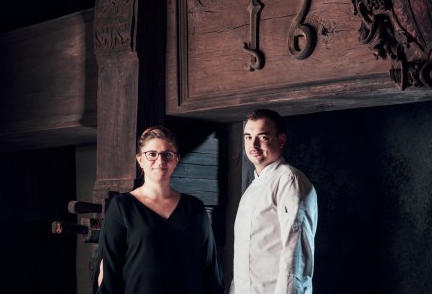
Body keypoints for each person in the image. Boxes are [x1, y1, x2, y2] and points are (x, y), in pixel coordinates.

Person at [95, 126, 224, 294]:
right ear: (140, 160)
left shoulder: (194, 208)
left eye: (167, 154)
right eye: (152, 154)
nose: (160, 161)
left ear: (176, 159)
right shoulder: (122, 207)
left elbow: (210, 266)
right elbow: (109, 270)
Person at [230, 109, 318, 294]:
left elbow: (295, 256)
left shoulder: (289, 181)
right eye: (248, 137)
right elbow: (243, 263)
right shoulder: (251, 190)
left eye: (263, 137)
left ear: (281, 140)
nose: (253, 145)